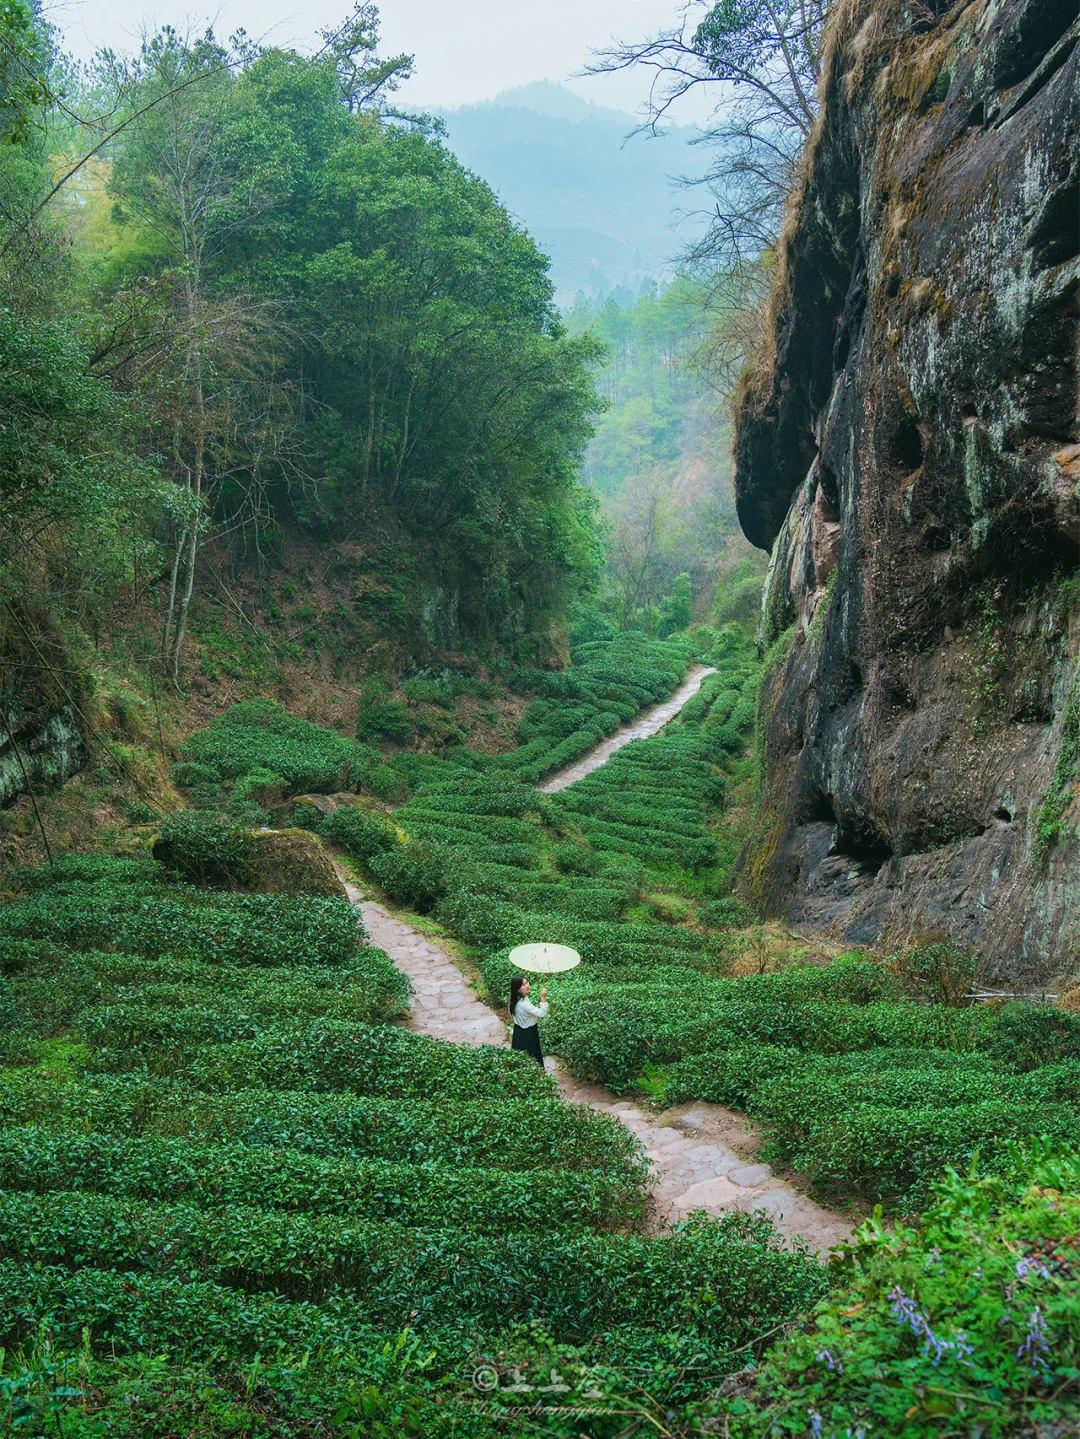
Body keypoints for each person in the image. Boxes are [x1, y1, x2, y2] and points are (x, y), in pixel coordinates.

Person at [509, 974, 547, 1065]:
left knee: (519, 1057)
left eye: (527, 982)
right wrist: (543, 997)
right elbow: (542, 1013)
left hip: (518, 1031)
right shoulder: (524, 1004)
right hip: (528, 1033)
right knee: (533, 1057)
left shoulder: (514, 1000)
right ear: (518, 989)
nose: (527, 986)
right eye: (523, 985)